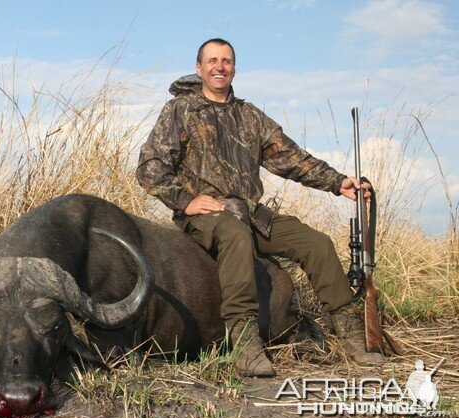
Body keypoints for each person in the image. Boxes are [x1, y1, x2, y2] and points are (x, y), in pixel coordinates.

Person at [135, 38, 382, 377]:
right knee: (235, 235)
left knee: (316, 244)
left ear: (234, 68)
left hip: (251, 213)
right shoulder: (180, 110)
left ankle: (352, 334)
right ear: (199, 67)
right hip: (207, 216)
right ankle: (245, 341)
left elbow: (292, 158)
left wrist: (339, 183)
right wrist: (186, 201)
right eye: (212, 60)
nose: (219, 66)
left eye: (226, 61)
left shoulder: (249, 116)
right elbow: (150, 167)